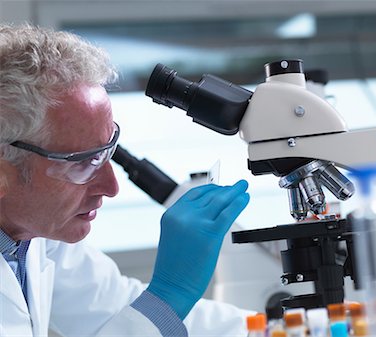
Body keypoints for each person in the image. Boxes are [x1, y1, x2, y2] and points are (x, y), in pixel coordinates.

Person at [0, 23, 254, 336]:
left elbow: (114, 311)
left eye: (107, 152)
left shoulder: (31, 234)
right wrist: (170, 295)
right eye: (82, 163)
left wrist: (282, 328)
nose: (111, 187)